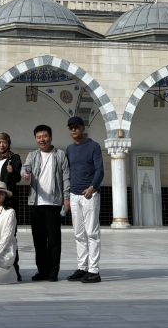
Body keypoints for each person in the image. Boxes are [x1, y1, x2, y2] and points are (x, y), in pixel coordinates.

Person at [21, 124, 70, 282]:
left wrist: (66, 197)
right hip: (36, 203)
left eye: (45, 136)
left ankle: (53, 271)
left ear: (51, 137)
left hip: (54, 204)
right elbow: (25, 167)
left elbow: (65, 177)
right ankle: (42, 271)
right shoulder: (32, 155)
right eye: (39, 137)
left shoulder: (60, 155)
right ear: (35, 139)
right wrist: (25, 174)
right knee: (39, 241)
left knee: (54, 240)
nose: (42, 140)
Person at [64, 117, 104, 283]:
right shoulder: (69, 149)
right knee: (79, 234)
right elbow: (67, 172)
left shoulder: (93, 146)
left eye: (76, 127)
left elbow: (99, 170)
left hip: (89, 194)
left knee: (92, 233)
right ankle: (82, 267)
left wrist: (92, 187)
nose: (73, 130)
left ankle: (94, 270)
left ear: (82, 128)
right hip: (74, 195)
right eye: (70, 128)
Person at [0, 132, 23, 281]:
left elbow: (18, 178)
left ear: (8, 143)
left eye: (4, 142)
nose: (1, 145)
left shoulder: (14, 158)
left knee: (10, 236)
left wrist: (13, 171)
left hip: (9, 199)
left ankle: (14, 269)